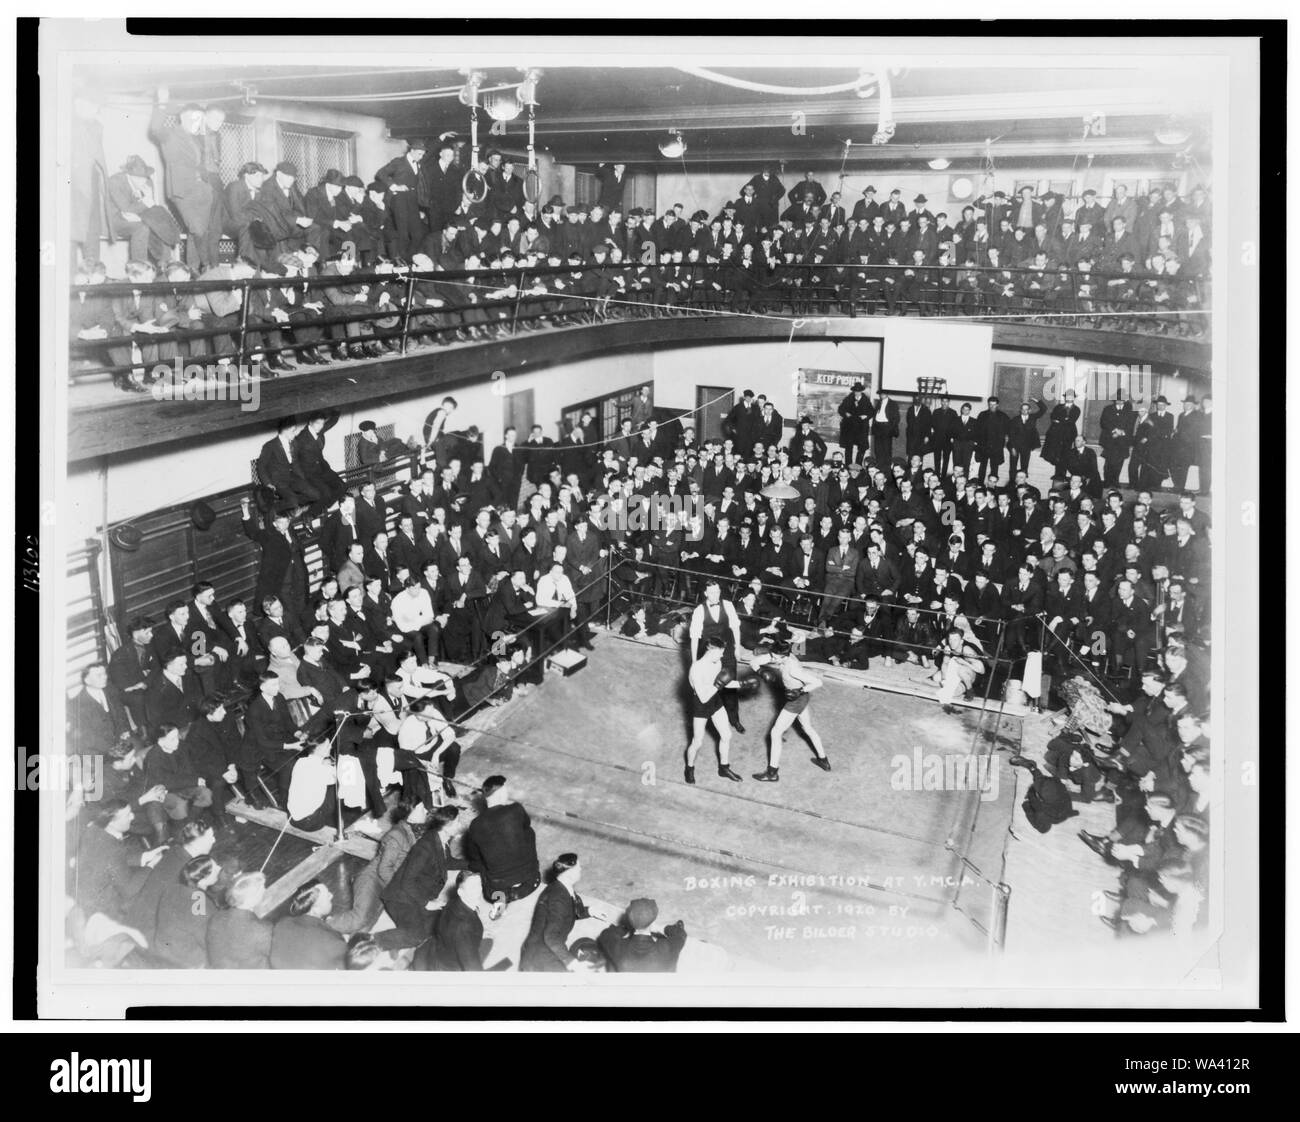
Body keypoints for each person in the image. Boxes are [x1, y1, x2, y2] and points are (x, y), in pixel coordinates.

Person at [750, 640, 831, 781]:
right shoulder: (780, 655)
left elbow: (818, 682)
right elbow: (754, 662)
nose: (773, 659)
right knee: (807, 728)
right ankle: (823, 760)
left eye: (775, 657)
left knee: (775, 733)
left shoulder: (793, 668)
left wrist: (800, 691)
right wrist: (761, 671)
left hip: (796, 700)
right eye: (772, 656)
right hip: (800, 698)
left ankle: (772, 773)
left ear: (784, 656)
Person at [461, 775, 541, 905]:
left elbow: (474, 856)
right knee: (528, 832)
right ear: (500, 793)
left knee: (477, 856)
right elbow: (526, 824)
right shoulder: (516, 809)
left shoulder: (476, 824)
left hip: (497, 889)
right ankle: (520, 885)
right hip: (532, 879)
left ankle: (502, 897)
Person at [684, 635, 745, 785]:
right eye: (720, 652)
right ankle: (689, 768)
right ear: (711, 651)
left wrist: (742, 684)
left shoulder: (717, 662)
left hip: (715, 700)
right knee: (697, 742)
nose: (722, 655)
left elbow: (723, 683)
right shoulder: (696, 668)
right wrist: (718, 685)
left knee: (727, 735)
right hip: (701, 704)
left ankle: (724, 768)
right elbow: (704, 697)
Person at [688, 579, 746, 734]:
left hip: (726, 652)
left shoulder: (728, 605)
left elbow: (735, 628)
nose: (715, 595)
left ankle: (734, 720)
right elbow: (694, 637)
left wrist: (737, 647)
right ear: (706, 593)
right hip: (708, 653)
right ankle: (708, 719)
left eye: (718, 591)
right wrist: (694, 662)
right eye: (712, 592)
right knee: (710, 685)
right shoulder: (699, 610)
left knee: (730, 687)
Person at [519, 853, 592, 972]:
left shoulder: (560, 887)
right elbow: (551, 937)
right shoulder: (558, 899)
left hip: (541, 945)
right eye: (579, 868)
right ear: (569, 874)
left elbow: (568, 911)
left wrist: (589, 911)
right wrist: (572, 962)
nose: (581, 869)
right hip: (541, 954)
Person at [597, 897, 687, 973]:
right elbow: (681, 935)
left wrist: (624, 928)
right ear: (653, 922)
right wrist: (663, 928)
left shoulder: (617, 946)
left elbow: (606, 934)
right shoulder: (667, 947)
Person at [270, 882, 346, 969]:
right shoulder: (333, 941)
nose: (331, 895)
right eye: (327, 896)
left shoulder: (282, 923)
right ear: (315, 909)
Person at [206, 872, 274, 969]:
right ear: (252, 899)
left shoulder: (216, 917)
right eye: (262, 888)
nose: (265, 889)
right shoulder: (263, 929)